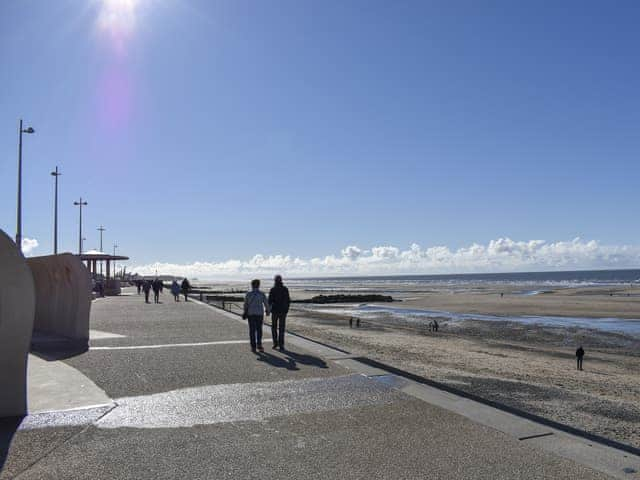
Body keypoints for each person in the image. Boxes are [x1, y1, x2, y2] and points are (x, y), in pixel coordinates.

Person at [243, 279, 270, 352]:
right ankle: (259, 345)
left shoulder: (248, 294)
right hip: (259, 314)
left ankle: (253, 347)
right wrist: (268, 311)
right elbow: (266, 303)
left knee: (252, 330)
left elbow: (245, 304)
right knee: (259, 330)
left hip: (251, 314)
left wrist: (245, 311)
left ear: (252, 285)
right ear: (259, 285)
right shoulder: (262, 294)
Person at [268, 275, 290, 351]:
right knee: (281, 328)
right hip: (282, 311)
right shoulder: (285, 289)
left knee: (274, 327)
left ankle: (275, 343)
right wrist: (286, 309)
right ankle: (281, 344)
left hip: (275, 311)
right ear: (281, 280)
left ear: (275, 281)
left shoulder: (273, 289)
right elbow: (288, 301)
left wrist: (269, 310)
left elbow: (269, 301)